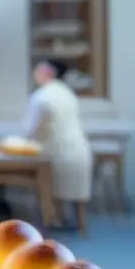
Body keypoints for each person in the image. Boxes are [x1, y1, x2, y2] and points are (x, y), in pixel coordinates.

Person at [23, 59, 92, 221]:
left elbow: (30, 129)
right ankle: (72, 222)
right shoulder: (67, 92)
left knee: (47, 188)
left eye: (38, 70)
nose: (34, 74)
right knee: (74, 192)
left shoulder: (41, 96)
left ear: (48, 73)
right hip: (79, 149)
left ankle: (50, 219)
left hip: (55, 152)